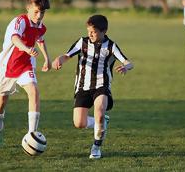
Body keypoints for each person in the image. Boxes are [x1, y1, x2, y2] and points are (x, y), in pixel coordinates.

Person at [52, 14, 133, 159]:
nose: (90, 34)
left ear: (104, 31)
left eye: (94, 31)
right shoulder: (82, 42)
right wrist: (60, 60)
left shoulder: (111, 46)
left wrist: (126, 67)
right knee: (79, 123)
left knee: (100, 110)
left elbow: (128, 62)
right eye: (88, 30)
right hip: (83, 86)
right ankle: (101, 122)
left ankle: (96, 147)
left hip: (102, 85)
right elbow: (67, 55)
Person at [0, 0, 51, 148]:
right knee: (2, 100)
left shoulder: (40, 26)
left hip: (26, 64)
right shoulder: (20, 21)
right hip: (7, 65)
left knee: (34, 91)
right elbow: (15, 38)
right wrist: (26, 49)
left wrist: (47, 58)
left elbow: (40, 39)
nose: (39, 16)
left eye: (42, 12)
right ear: (28, 8)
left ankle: (32, 133)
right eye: (36, 11)